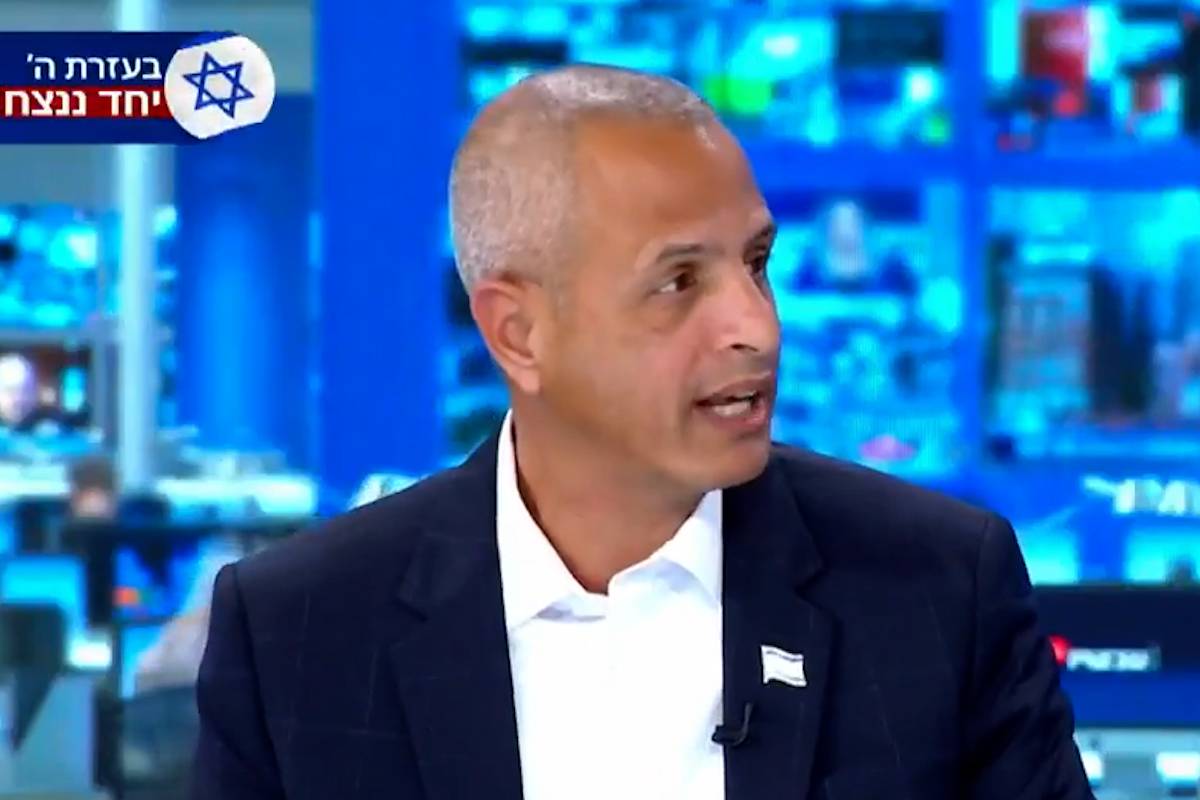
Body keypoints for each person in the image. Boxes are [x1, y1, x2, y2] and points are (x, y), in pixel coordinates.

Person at [192, 65, 1092, 800]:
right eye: (678, 283)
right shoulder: (300, 633)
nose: (756, 328)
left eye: (756, 264)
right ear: (519, 333)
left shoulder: (936, 589)